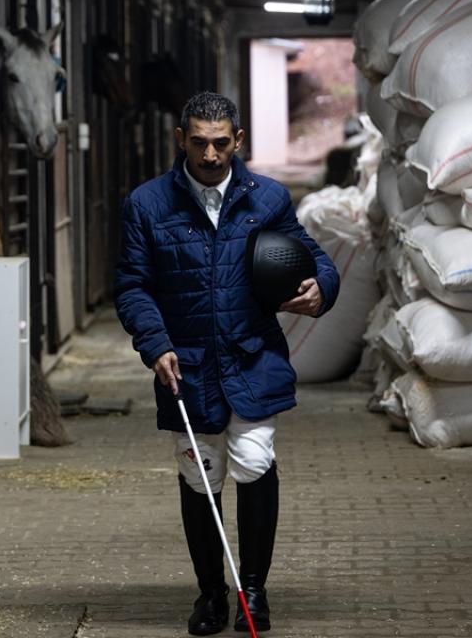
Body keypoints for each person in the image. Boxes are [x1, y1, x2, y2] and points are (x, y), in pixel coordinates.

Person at [114, 92, 340, 635]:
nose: (210, 155)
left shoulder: (268, 199)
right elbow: (132, 285)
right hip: (186, 364)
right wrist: (155, 343)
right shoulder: (147, 205)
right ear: (180, 139)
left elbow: (315, 257)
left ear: (238, 141)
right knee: (201, 476)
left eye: (221, 143)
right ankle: (211, 595)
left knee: (256, 462)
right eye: (199, 143)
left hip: (252, 356)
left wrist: (320, 288)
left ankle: (253, 593)